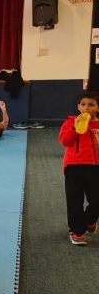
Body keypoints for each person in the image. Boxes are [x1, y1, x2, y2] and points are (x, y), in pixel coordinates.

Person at [57, 91, 99, 246]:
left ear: (97, 108)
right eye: (83, 104)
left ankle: (89, 221)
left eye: (91, 105)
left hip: (96, 167)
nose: (86, 108)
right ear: (78, 107)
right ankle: (76, 231)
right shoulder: (71, 121)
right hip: (75, 166)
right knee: (75, 200)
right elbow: (64, 141)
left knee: (96, 199)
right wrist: (75, 127)